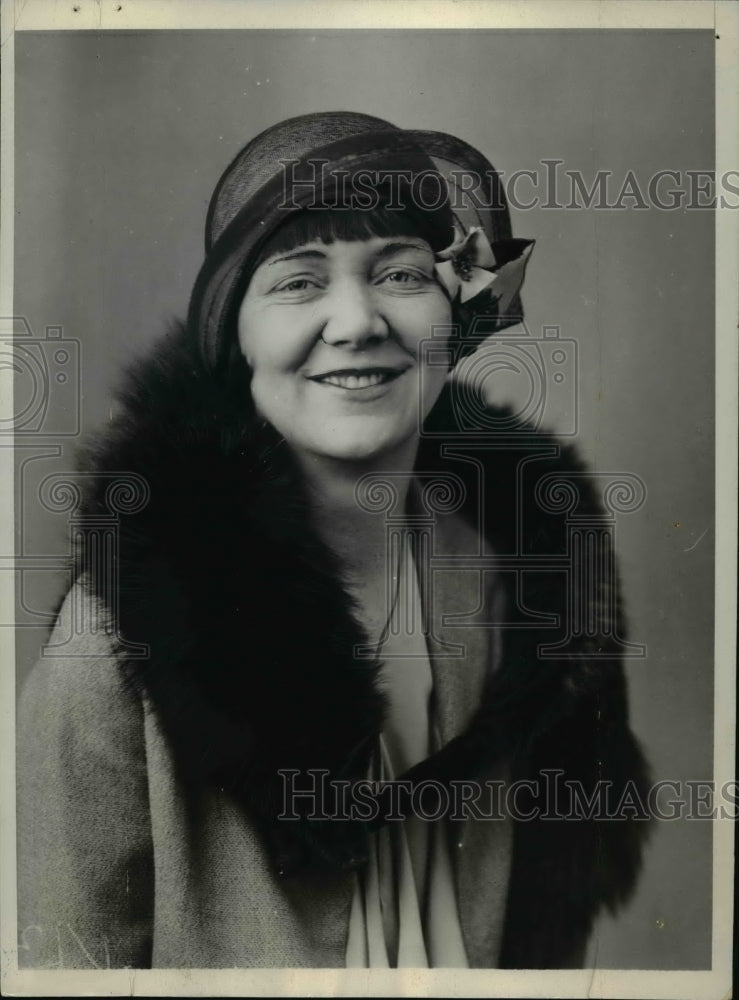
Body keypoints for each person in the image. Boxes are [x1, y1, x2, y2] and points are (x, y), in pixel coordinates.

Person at [17, 110, 650, 970]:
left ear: (453, 314)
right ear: (232, 336)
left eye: (399, 273)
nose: (355, 323)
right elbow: (57, 967)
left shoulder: (517, 593)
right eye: (297, 282)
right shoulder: (116, 644)